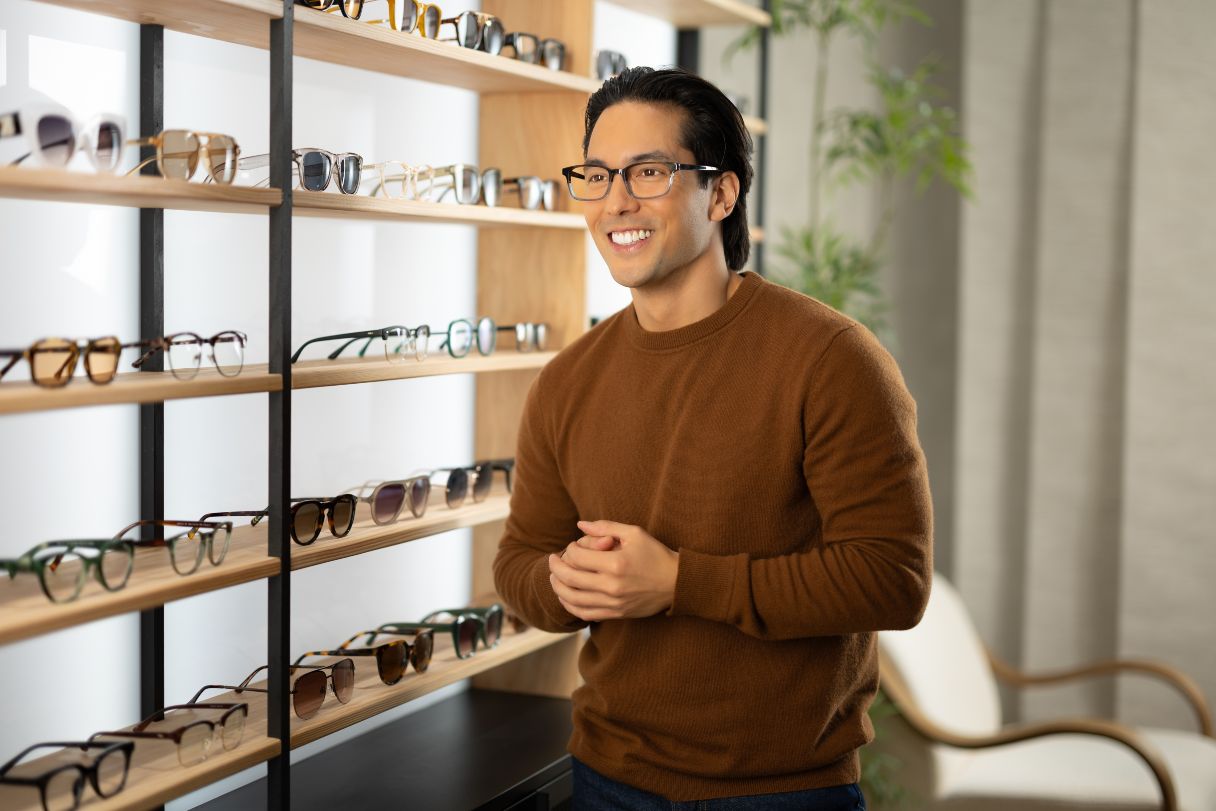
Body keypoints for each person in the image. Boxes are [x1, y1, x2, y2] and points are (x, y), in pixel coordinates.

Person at [492, 66, 933, 810]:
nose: (616, 201)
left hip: (781, 793)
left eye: (650, 172)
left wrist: (676, 582)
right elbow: (518, 563)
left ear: (720, 193)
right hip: (603, 777)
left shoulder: (831, 359)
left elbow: (892, 576)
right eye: (597, 175)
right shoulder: (567, 380)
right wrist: (568, 582)